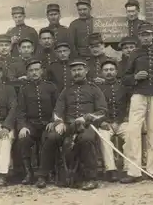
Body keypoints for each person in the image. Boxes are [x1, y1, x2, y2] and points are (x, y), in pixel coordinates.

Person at [35, 58, 107, 190]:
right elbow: (58, 109)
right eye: (74, 70)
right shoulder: (66, 90)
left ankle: (91, 178)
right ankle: (43, 175)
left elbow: (102, 111)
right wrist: (59, 122)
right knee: (52, 137)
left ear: (86, 70)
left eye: (79, 69)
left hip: (87, 125)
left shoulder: (94, 89)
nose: (77, 72)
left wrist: (86, 118)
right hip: (68, 125)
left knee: (86, 139)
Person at [120, 22, 153, 183]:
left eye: (148, 34)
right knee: (133, 131)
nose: (146, 37)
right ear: (139, 36)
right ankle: (134, 171)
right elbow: (125, 78)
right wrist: (135, 78)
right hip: (139, 95)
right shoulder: (134, 54)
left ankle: (152, 170)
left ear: (152, 36)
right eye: (143, 35)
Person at [17, 59, 58, 185]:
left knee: (49, 139)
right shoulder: (24, 89)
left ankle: (45, 173)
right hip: (31, 125)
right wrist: (23, 126)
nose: (34, 73)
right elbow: (21, 111)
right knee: (24, 139)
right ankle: (29, 173)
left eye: (36, 70)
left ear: (42, 71)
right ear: (27, 73)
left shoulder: (51, 87)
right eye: (31, 71)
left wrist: (53, 121)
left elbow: (57, 107)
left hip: (47, 124)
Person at [97, 59, 131, 182]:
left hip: (122, 122)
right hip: (106, 123)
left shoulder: (124, 87)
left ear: (116, 72)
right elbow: (94, 108)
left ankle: (129, 169)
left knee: (130, 135)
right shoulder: (97, 89)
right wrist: (101, 121)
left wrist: (126, 117)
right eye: (106, 70)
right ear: (101, 73)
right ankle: (111, 170)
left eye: (111, 70)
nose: (109, 72)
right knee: (104, 137)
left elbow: (131, 104)